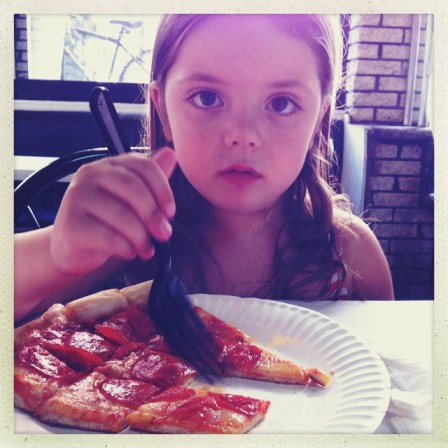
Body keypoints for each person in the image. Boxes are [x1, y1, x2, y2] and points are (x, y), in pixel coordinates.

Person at [14, 14, 394, 322]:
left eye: (281, 103)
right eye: (207, 98)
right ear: (163, 110)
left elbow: (389, 374)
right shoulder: (134, 235)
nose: (243, 136)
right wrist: (56, 253)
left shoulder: (350, 252)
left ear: (318, 119)